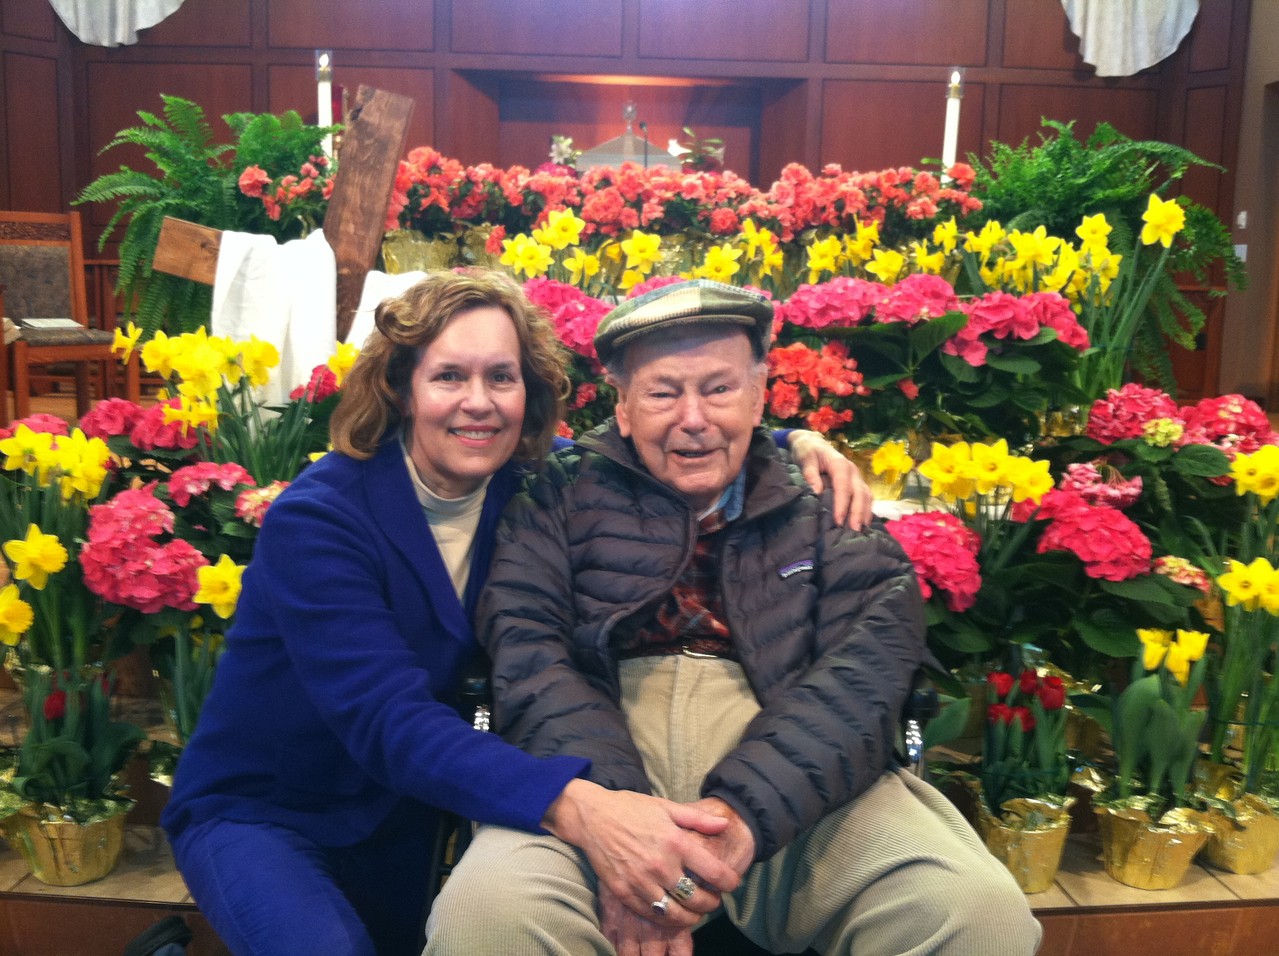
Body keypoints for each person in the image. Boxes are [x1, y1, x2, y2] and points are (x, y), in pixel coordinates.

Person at [160, 269, 870, 956]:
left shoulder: (528, 481)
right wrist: (581, 806)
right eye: (449, 377)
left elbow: (655, 446)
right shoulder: (320, 521)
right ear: (402, 388)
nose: (479, 402)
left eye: (501, 377)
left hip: (411, 807)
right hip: (272, 811)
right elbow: (386, 721)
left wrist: (788, 444)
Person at [426, 279, 1043, 956]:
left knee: (974, 916)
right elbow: (528, 655)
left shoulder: (828, 507)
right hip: (597, 766)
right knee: (486, 920)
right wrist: (622, 831)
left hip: (795, 774)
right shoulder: (553, 499)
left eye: (718, 389)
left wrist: (741, 816)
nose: (693, 418)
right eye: (663, 392)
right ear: (623, 408)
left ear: (757, 397)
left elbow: (862, 680)